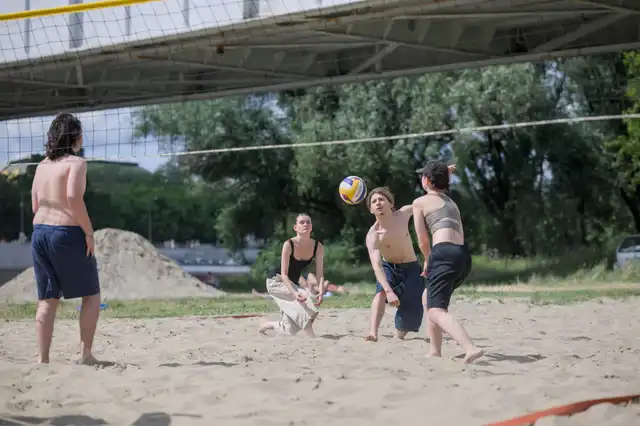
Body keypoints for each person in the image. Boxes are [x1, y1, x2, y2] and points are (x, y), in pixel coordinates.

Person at [30, 112, 101, 365]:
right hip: (65, 232)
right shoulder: (77, 163)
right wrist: (89, 232)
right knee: (91, 295)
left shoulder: (42, 165)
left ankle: (43, 359)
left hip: (39, 233)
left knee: (47, 299)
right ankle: (86, 355)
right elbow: (73, 197)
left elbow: (35, 205)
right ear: (76, 137)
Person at [412, 160, 484, 364]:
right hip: (462, 256)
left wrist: (428, 259)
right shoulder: (450, 202)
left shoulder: (420, 202)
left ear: (426, 180)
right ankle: (435, 350)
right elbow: (440, 181)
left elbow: (422, 239)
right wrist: (446, 171)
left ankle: (470, 347)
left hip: (442, 254)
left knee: (436, 310)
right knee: (429, 297)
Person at [364, 187, 424, 342]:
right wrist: (388, 291)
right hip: (389, 267)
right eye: (374, 201)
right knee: (380, 293)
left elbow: (425, 202)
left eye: (382, 199)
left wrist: (441, 178)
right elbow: (377, 266)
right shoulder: (373, 235)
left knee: (411, 309)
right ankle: (373, 332)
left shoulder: (403, 214)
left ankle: (399, 335)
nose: (378, 203)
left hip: (412, 268)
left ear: (391, 203)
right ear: (371, 209)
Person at [258, 213, 325, 337]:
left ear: (311, 226)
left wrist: (321, 291)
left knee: (288, 331)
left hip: (292, 283)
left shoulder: (318, 246)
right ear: (295, 227)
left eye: (308, 222)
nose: (305, 224)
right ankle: (313, 341)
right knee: (306, 309)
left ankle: (269, 325)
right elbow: (284, 274)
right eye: (302, 222)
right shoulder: (289, 244)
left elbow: (320, 274)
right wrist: (295, 293)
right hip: (276, 281)